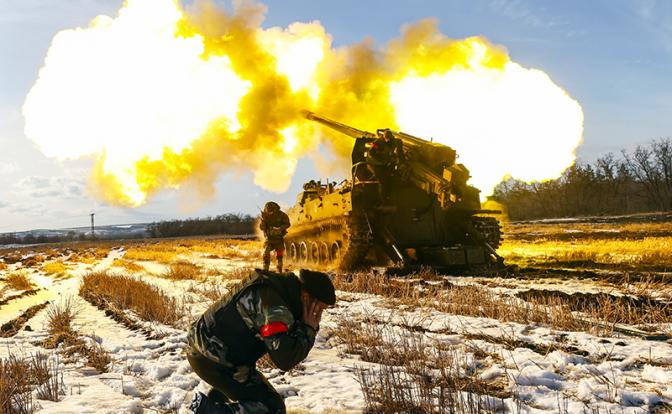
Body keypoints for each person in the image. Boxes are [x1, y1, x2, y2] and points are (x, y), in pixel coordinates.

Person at [186, 269, 336, 414]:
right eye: (319, 309)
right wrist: (308, 329)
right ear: (305, 297)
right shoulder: (275, 307)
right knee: (271, 408)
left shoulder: (279, 288)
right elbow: (285, 359)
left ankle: (217, 404)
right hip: (212, 359)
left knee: (256, 397)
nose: (318, 315)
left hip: (208, 351)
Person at [366, 129, 404, 202]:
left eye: (389, 139)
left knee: (391, 178)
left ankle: (391, 197)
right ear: (383, 137)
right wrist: (382, 160)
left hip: (386, 164)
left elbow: (400, 153)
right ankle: (384, 200)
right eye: (386, 139)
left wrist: (401, 163)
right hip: (374, 164)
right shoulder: (377, 143)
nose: (387, 141)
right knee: (383, 180)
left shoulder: (396, 142)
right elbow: (371, 153)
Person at [259, 202, 290, 272]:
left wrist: (280, 228)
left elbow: (288, 224)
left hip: (278, 238)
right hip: (269, 239)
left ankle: (279, 269)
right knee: (266, 253)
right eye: (269, 211)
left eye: (271, 211)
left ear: (275, 209)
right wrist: (263, 221)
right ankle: (265, 269)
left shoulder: (281, 215)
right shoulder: (265, 215)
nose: (270, 213)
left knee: (279, 255)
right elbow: (262, 228)